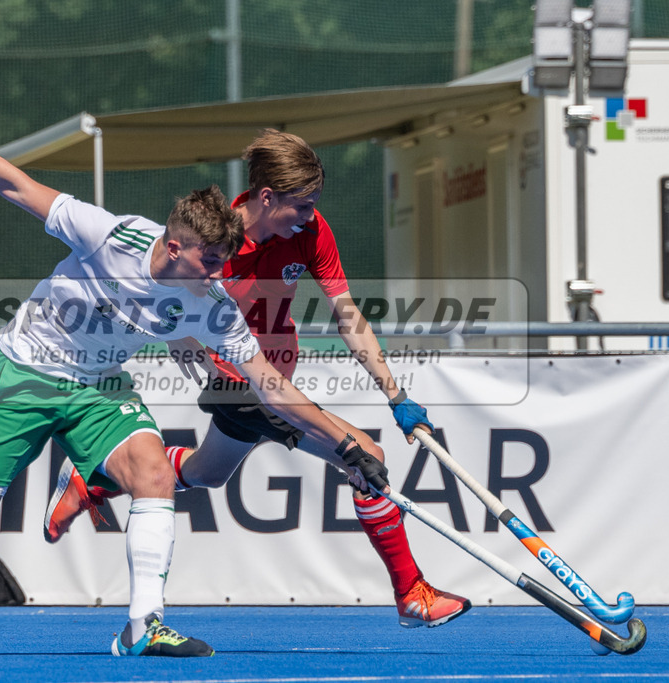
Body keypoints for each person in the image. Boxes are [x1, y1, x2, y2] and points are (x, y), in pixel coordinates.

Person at [0, 89, 393, 658]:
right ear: (174, 246)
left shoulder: (212, 305)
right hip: (26, 374)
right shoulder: (107, 235)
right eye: (211, 262)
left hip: (100, 389)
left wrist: (345, 444)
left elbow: (270, 384)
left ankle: (143, 626)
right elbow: (14, 183)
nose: (220, 275)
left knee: (154, 475)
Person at [44, 128, 471, 629]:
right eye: (302, 205)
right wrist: (187, 347)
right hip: (237, 383)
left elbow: (347, 314)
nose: (310, 215)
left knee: (208, 472)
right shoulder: (215, 241)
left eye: (314, 204)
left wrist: (396, 396)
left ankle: (95, 480)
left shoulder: (310, 231)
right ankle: (411, 593)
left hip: (277, 378)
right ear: (267, 198)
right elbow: (162, 296)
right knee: (365, 456)